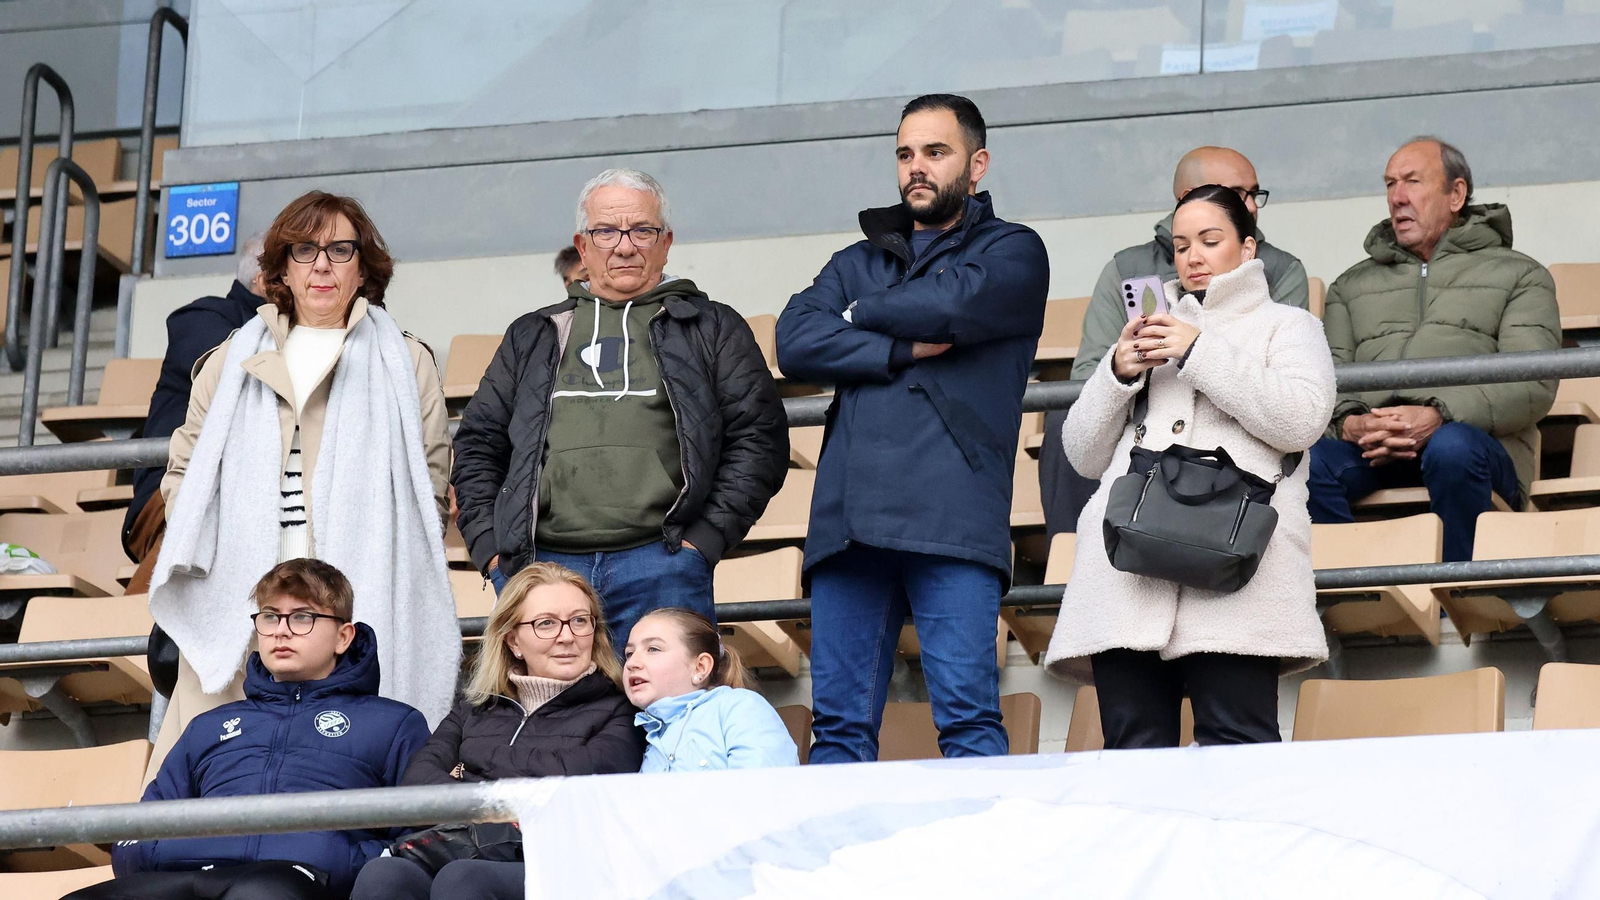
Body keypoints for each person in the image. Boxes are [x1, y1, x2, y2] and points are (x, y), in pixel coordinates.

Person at [146, 191, 458, 781]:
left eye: (340, 250)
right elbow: (183, 472)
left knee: (347, 768)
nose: (321, 264)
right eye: (305, 249)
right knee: (220, 774)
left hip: (356, 592)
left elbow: (429, 483)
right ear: (281, 268)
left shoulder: (406, 360)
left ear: (363, 267)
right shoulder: (228, 359)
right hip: (242, 597)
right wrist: (226, 547)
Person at [775, 94, 1049, 762]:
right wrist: (896, 347)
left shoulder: (1013, 250)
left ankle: (985, 868)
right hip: (847, 522)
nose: (916, 167)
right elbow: (794, 341)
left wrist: (860, 314)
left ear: (977, 163)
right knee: (837, 732)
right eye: (905, 154)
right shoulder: (857, 256)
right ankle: (833, 870)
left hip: (952, 518)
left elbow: (952, 303)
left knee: (968, 723)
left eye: (935, 151)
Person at [1042, 185, 1335, 748]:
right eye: (1180, 245)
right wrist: (1117, 374)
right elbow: (1082, 454)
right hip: (1127, 575)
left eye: (1210, 240)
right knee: (1133, 754)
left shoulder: (1288, 326)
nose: (1193, 256)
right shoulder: (1147, 325)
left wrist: (1197, 350)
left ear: (1248, 248)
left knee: (1238, 751)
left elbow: (1302, 420)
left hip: (1234, 570)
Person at [452, 168, 788, 651]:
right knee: (554, 721)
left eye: (642, 230)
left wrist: (703, 542)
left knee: (666, 721)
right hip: (544, 570)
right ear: (582, 245)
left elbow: (760, 439)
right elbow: (479, 442)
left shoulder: (712, 327)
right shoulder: (534, 334)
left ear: (666, 242)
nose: (624, 246)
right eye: (606, 231)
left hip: (664, 564)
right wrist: (493, 554)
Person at [68, 560, 431, 900]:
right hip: (185, 873)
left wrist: (339, 859)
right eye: (270, 617)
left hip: (298, 880)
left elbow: (422, 838)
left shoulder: (394, 723)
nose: (281, 632)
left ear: (343, 636)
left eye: (302, 617)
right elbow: (144, 826)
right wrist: (161, 851)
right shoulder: (208, 726)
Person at [1308, 137, 1560, 562]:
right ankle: (1358, 593)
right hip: (1374, 447)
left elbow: (1532, 383)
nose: (1397, 197)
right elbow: (1325, 379)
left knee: (1451, 448)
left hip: (1473, 442)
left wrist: (1438, 414)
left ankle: (1458, 600)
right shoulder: (1350, 286)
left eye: (1412, 182)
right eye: (1390, 184)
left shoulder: (1522, 275)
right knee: (1304, 464)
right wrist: (1351, 424)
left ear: (1456, 194)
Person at [1041, 147, 1310, 537]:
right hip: (1140, 427)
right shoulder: (1126, 267)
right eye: (1236, 194)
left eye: (1254, 194)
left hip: (1233, 434)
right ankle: (1071, 559)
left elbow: (1277, 384)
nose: (1250, 206)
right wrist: (1124, 370)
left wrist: (1193, 351)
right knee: (1063, 419)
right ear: (1185, 198)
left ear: (1246, 249)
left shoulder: (1280, 268)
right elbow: (1088, 375)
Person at [349, 562, 644, 900]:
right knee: (383, 875)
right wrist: (502, 803)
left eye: (580, 620)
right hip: (466, 847)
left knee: (464, 880)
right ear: (512, 641)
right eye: (546, 623)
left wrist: (472, 769)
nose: (567, 636)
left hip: (563, 860)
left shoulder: (620, 707)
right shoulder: (475, 706)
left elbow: (577, 777)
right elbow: (418, 781)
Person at [124, 236, 269, 595]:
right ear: (263, 279)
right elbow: (246, 379)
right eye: (297, 261)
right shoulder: (204, 318)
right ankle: (142, 637)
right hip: (172, 496)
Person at [623, 607, 799, 772]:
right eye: (629, 653)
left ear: (700, 667)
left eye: (653, 649)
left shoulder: (738, 706)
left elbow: (762, 791)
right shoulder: (649, 743)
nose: (632, 663)